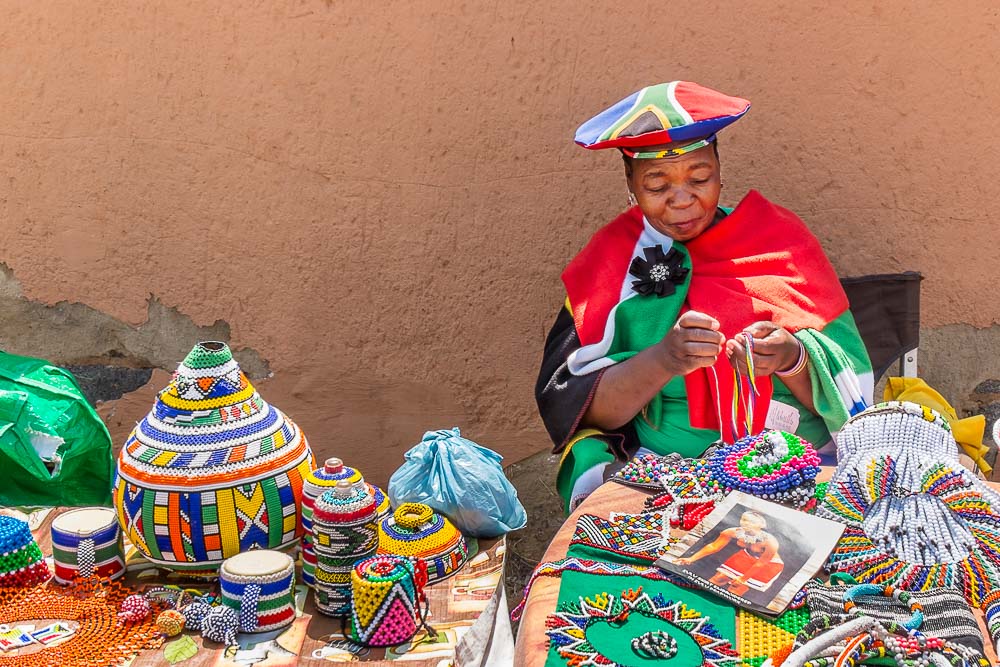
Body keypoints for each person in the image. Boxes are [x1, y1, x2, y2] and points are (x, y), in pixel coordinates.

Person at [536, 81, 873, 512]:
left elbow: (854, 393)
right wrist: (663, 360)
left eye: (700, 178)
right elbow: (581, 410)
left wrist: (793, 357)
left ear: (719, 170)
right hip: (668, 475)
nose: (682, 200)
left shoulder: (778, 241)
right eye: (658, 186)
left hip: (796, 468)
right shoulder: (608, 264)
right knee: (588, 458)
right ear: (631, 184)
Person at [674, 511, 783, 595]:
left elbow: (761, 563)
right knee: (719, 578)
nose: (747, 523)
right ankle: (698, 597)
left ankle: (719, 609)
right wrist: (691, 559)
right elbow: (713, 546)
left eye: (752, 522)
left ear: (761, 525)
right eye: (744, 520)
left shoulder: (770, 542)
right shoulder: (732, 532)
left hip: (769, 564)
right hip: (747, 556)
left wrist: (742, 579)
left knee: (738, 586)